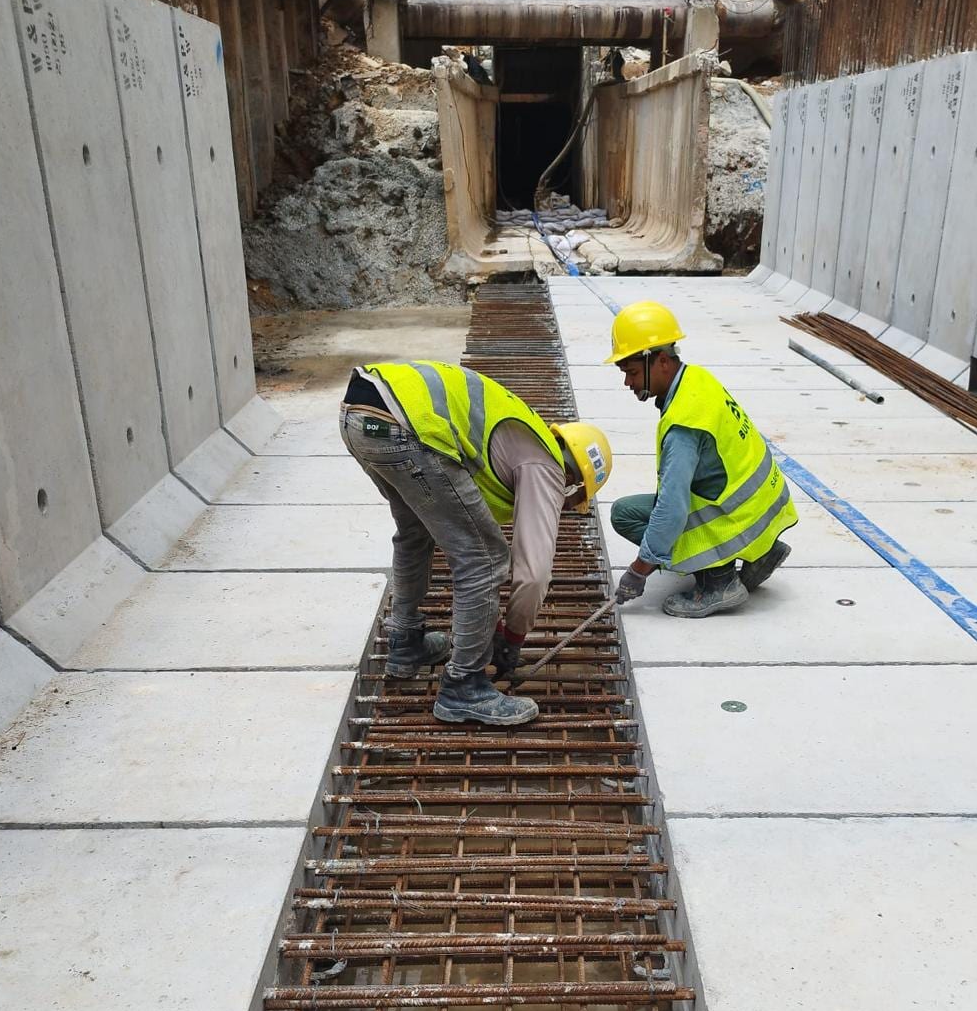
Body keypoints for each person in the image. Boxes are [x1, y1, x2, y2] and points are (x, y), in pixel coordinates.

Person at [339, 360, 612, 726]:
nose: (561, 508)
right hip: (409, 427)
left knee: (414, 533)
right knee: (484, 559)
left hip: (360, 412)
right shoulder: (547, 464)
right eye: (569, 502)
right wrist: (511, 636)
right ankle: (464, 685)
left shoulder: (523, 432)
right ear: (573, 483)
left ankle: (406, 644)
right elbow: (532, 575)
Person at [605, 300, 796, 617]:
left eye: (633, 372)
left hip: (739, 517)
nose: (628, 383)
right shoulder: (696, 379)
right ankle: (759, 553)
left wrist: (639, 571)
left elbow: (671, 509)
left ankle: (719, 584)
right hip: (765, 507)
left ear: (662, 362)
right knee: (626, 510)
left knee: (632, 517)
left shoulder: (684, 425)